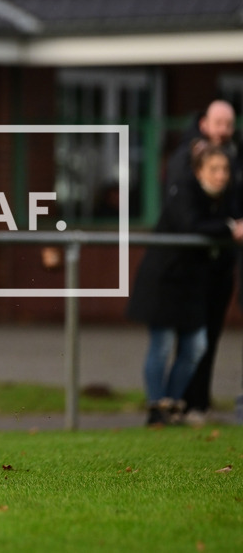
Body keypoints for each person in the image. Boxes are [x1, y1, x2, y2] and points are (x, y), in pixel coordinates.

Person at [127, 141, 243, 426]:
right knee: (162, 344)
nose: (221, 174)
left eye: (225, 169)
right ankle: (157, 408)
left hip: (192, 283)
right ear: (199, 171)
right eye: (214, 169)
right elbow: (192, 225)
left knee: (196, 346)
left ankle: (174, 404)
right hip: (165, 280)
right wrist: (230, 228)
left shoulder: (225, 198)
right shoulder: (184, 192)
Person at [164, 100, 242, 425]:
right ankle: (177, 404)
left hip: (221, 264)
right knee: (189, 340)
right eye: (218, 122)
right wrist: (229, 227)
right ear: (204, 122)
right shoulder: (186, 158)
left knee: (208, 338)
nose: (224, 129)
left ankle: (198, 403)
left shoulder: (236, 157)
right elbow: (188, 217)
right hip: (190, 265)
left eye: (229, 123)